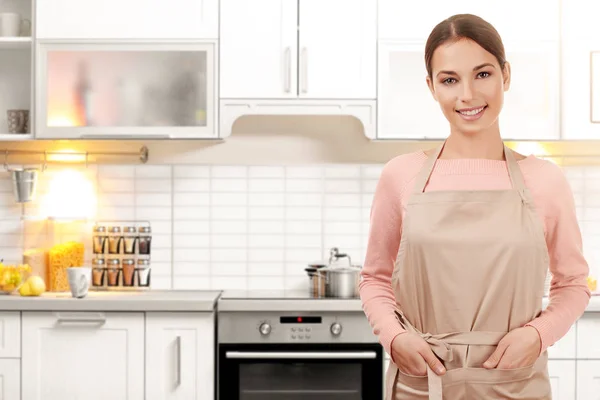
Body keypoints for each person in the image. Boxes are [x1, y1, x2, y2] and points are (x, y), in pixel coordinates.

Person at [359, 13, 591, 400]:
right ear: (432, 87)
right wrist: (395, 337)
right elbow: (375, 279)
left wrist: (537, 335)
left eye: (482, 74)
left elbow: (572, 284)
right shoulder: (400, 175)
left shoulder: (545, 180)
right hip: (422, 383)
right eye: (450, 80)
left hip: (515, 383)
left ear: (506, 75)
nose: (467, 94)